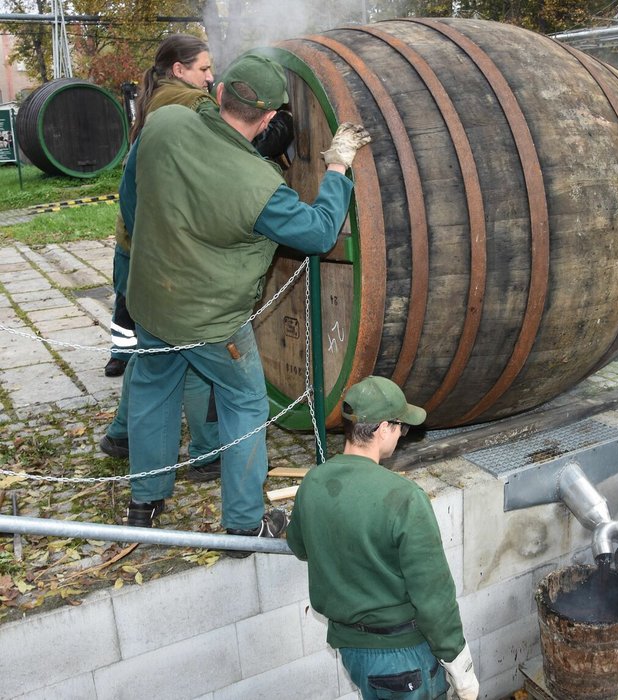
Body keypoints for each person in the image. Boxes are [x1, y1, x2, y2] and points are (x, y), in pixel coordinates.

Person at [120, 54, 371, 548]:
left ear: (219, 94)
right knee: (245, 403)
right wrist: (338, 166)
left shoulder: (164, 121)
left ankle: (143, 504)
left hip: (150, 300)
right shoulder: (259, 185)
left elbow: (131, 199)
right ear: (271, 118)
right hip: (212, 321)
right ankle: (243, 522)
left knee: (153, 392)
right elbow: (319, 233)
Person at [287, 376, 479, 700]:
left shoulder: (313, 483)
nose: (401, 435)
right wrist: (461, 667)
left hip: (352, 651)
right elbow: (434, 596)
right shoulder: (405, 498)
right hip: (403, 658)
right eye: (401, 427)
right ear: (382, 429)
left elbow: (300, 546)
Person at [100, 34, 223, 482]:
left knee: (151, 353)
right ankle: (208, 453)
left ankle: (121, 435)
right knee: (193, 353)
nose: (211, 77)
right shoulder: (188, 107)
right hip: (167, 253)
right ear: (179, 69)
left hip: (137, 247)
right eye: (204, 69)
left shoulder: (158, 103)